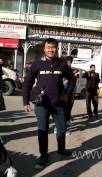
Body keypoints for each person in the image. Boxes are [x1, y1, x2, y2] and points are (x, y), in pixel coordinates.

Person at [22, 38, 74, 169]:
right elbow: (27, 83)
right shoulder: (37, 64)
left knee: (62, 129)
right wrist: (25, 101)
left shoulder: (62, 64)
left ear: (57, 49)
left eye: (53, 47)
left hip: (59, 104)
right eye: (48, 47)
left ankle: (61, 149)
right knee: (43, 130)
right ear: (44, 49)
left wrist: (67, 93)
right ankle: (43, 155)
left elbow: (72, 79)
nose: (51, 50)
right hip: (42, 104)